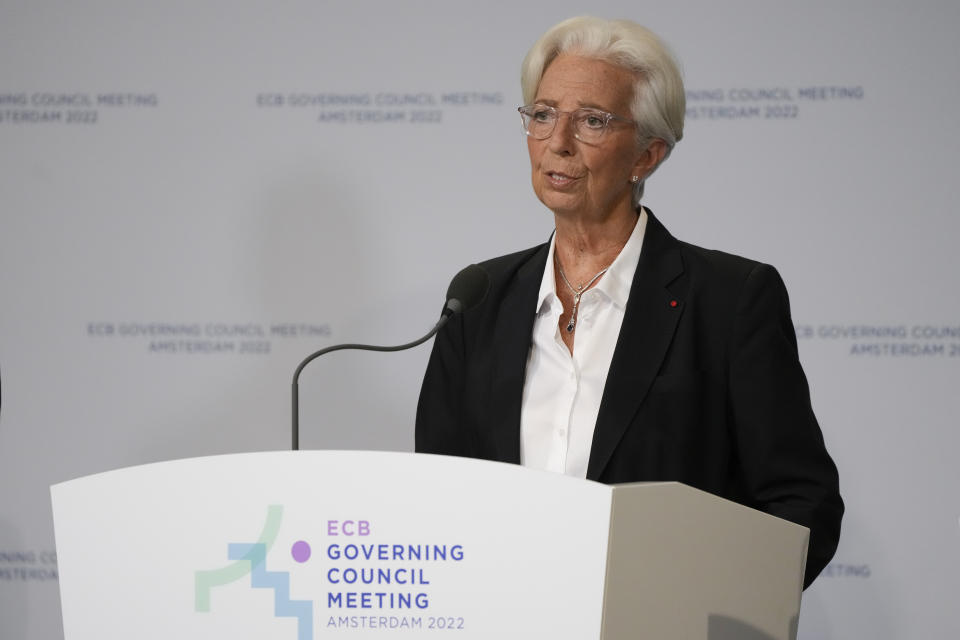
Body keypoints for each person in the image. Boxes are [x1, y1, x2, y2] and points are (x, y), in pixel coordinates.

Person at [416, 16, 842, 588]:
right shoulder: (479, 301)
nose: (558, 142)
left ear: (647, 155)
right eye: (543, 114)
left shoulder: (729, 300)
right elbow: (437, 496)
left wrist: (703, 609)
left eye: (591, 121)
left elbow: (801, 504)